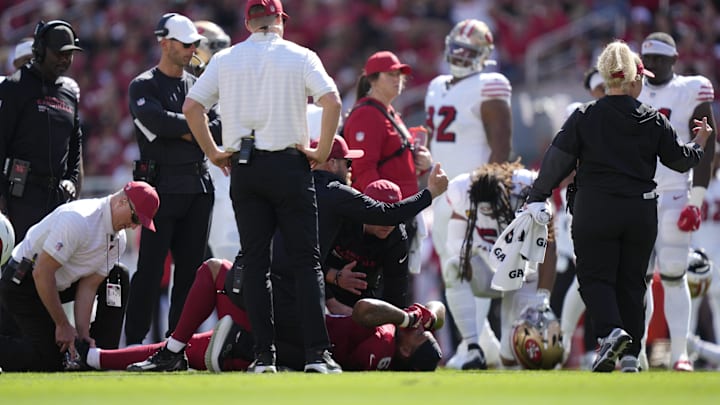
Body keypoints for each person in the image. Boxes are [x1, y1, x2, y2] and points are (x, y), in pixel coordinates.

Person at [122, 135, 446, 371]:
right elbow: (386, 217)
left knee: (215, 277)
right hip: (299, 303)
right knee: (302, 344)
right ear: (330, 162)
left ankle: (188, 349)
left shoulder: (291, 186)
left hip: (262, 284)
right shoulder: (337, 195)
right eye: (347, 162)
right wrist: (431, 192)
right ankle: (260, 352)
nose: (351, 169)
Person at [524, 40, 713, 373]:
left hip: (596, 208)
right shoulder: (652, 118)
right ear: (634, 78)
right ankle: (630, 355)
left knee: (595, 279)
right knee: (633, 283)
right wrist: (700, 142)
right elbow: (681, 161)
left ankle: (611, 332)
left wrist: (537, 194)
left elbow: (557, 159)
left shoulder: (585, 115)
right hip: (641, 211)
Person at [183, 0, 343, 374]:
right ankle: (316, 354)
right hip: (289, 164)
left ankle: (263, 356)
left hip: (245, 167)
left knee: (256, 264)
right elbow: (332, 100)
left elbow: (193, 106)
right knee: (306, 262)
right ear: (280, 21)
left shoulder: (226, 59)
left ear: (248, 22)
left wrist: (214, 152)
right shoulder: (300, 55)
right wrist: (321, 150)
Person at [124, 13, 220, 346]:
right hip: (161, 191)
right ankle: (134, 342)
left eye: (194, 43)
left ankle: (177, 345)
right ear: (164, 43)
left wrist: (182, 130)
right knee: (149, 273)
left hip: (196, 188)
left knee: (190, 275)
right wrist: (196, 126)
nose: (192, 48)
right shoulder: (143, 84)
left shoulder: (197, 84)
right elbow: (156, 121)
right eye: (185, 43)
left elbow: (217, 127)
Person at [424, 19, 512, 370]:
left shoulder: (491, 84)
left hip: (475, 191)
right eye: (456, 48)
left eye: (468, 51)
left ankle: (476, 345)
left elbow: (501, 144)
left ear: (483, 56)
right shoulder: (435, 85)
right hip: (443, 192)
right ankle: (481, 345)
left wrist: (487, 190)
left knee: (473, 270)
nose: (460, 56)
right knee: (452, 270)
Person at [0, 181, 159, 371]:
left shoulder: (118, 241)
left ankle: (99, 355)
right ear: (122, 202)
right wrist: (63, 325)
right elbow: (42, 273)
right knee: (49, 361)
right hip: (23, 283)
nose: (134, 226)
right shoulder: (79, 219)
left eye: (139, 223)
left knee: (117, 277)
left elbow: (89, 286)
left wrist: (83, 337)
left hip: (57, 284)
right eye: (135, 218)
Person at [637, 31, 717, 372]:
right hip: (634, 194)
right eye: (647, 58)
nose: (652, 65)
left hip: (673, 191)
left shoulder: (691, 89)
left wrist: (696, 200)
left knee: (673, 272)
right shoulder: (630, 87)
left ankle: (680, 352)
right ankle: (635, 352)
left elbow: (707, 143)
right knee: (635, 277)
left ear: (674, 59)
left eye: (659, 58)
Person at [444, 161, 558, 369]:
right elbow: (454, 242)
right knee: (453, 268)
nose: (490, 216)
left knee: (512, 356)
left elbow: (549, 246)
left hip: (523, 275)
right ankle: (472, 348)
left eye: (494, 211)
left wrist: (544, 296)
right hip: (488, 272)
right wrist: (476, 254)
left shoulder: (528, 188)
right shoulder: (461, 190)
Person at [0, 20, 83, 243]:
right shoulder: (13, 87)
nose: (65, 59)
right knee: (15, 272)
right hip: (18, 198)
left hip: (56, 201)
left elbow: (75, 147)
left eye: (69, 54)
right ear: (40, 50)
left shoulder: (69, 93)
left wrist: (72, 182)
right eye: (59, 54)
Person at [324, 179, 411, 313]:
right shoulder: (343, 219)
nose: (388, 224)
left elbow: (396, 290)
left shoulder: (397, 236)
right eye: (383, 215)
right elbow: (304, 261)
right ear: (367, 209)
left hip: (362, 302)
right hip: (322, 294)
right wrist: (335, 278)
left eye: (393, 215)